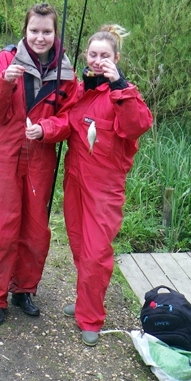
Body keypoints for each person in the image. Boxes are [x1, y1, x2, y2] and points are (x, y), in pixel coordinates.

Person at [0, 3, 78, 327]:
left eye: (47, 31)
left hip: (40, 157)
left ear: (55, 33)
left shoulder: (65, 71)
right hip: (3, 154)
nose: (40, 37)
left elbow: (70, 119)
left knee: (35, 229)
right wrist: (5, 82)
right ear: (25, 31)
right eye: (34, 31)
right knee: (1, 227)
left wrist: (47, 129)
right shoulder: (5, 60)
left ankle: (24, 290)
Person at [62, 24, 153, 346]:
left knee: (96, 254)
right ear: (86, 56)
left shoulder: (124, 94)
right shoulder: (81, 89)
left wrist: (119, 83)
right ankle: (84, 301)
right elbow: (65, 120)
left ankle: (90, 317)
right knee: (77, 245)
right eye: (93, 54)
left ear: (116, 58)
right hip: (74, 180)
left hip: (104, 189)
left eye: (105, 55)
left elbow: (138, 125)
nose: (98, 60)